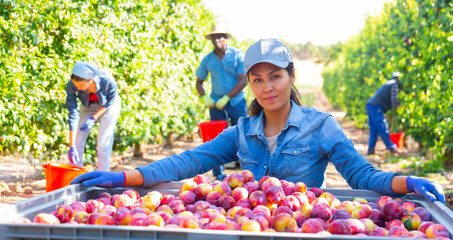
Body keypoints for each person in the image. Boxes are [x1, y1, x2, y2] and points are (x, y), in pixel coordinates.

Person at [72, 39, 445, 204]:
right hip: (245, 224)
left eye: (275, 76)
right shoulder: (242, 132)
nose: (267, 87)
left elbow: (362, 177)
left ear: (291, 75)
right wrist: (123, 177)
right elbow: (189, 161)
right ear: (249, 84)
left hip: (301, 226)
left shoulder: (321, 127)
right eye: (257, 79)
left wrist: (405, 180)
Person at [195, 24, 248, 180]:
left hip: (237, 102)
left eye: (220, 36)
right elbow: (199, 82)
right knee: (216, 139)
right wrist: (204, 97)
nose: (217, 40)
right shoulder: (207, 60)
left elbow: (244, 80)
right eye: (214, 37)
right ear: (211, 39)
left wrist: (227, 97)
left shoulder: (238, 55)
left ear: (225, 38)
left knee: (243, 136)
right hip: (216, 104)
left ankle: (246, 174)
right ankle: (218, 176)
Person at [66, 61, 121, 171]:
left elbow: (109, 102)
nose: (79, 89)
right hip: (88, 105)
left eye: (81, 85)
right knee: (77, 141)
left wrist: (94, 117)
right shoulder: (72, 85)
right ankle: (75, 177)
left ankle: (103, 178)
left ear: (91, 80)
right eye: (76, 86)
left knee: (103, 144)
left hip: (109, 105)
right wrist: (71, 146)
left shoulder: (107, 80)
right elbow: (73, 114)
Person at [366, 72, 401, 155]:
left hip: (370, 105)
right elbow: (394, 101)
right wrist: (399, 106)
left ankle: (371, 149)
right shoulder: (394, 85)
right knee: (382, 126)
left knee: (374, 129)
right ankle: (391, 147)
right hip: (376, 106)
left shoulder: (388, 83)